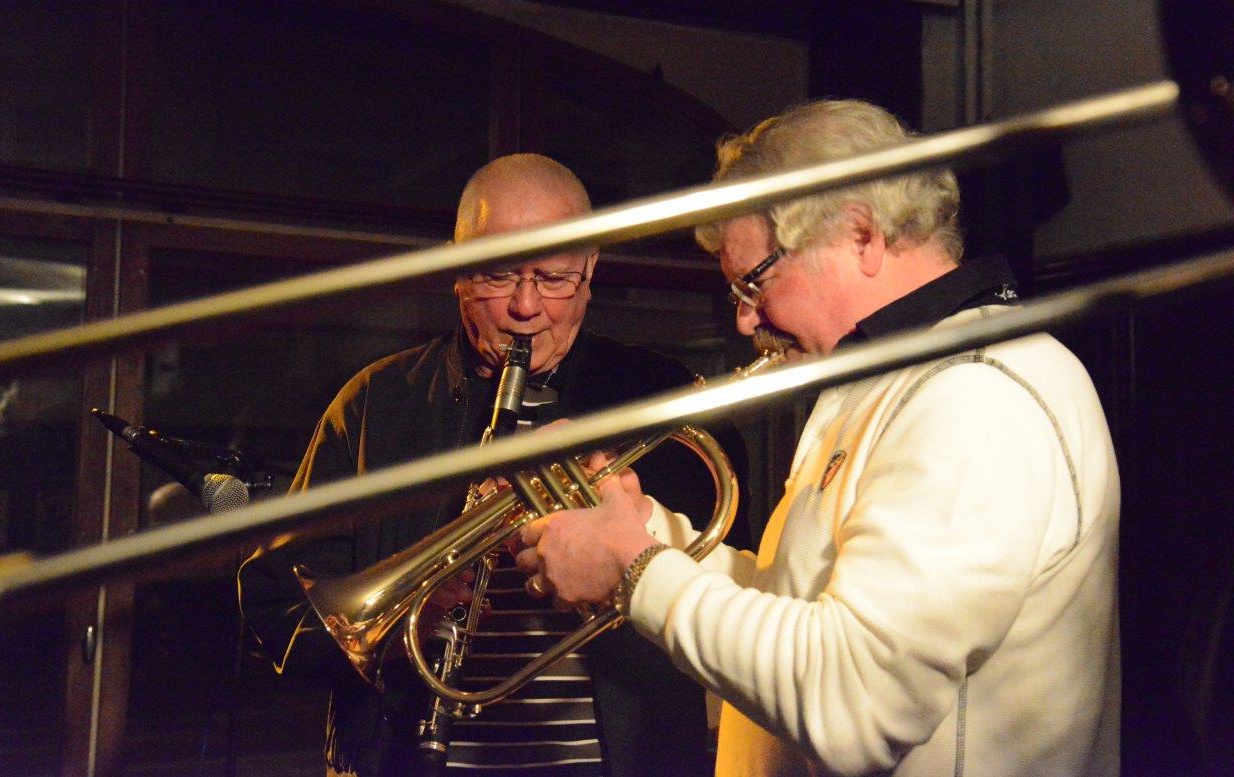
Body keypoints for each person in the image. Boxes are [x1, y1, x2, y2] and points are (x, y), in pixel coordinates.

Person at [516, 101, 1121, 776]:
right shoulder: (890, 381)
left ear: (861, 234)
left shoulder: (976, 392)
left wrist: (635, 571)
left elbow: (855, 703)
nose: (746, 321)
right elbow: (792, 614)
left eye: (755, 283)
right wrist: (642, 528)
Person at [238, 153, 748, 777]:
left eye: (554, 277)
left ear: (590, 270)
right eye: (499, 274)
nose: (526, 307)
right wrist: (407, 624)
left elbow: (741, 600)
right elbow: (278, 609)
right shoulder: (376, 403)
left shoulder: (668, 398)